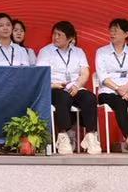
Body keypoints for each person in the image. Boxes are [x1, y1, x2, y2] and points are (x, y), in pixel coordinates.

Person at [41, 21, 99, 155]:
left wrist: (77, 85)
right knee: (63, 97)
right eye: (54, 34)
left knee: (90, 98)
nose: (55, 37)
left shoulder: (78, 52)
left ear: (70, 38)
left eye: (59, 35)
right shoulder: (46, 51)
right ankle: (63, 135)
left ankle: (91, 135)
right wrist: (54, 85)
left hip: (74, 86)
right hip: (54, 87)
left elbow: (85, 72)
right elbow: (41, 74)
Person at [95, 17, 128, 153]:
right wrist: (118, 89)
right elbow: (102, 76)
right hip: (108, 91)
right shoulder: (102, 52)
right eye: (111, 30)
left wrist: (127, 87)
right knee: (120, 103)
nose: (112, 33)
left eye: (116, 31)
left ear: (126, 34)